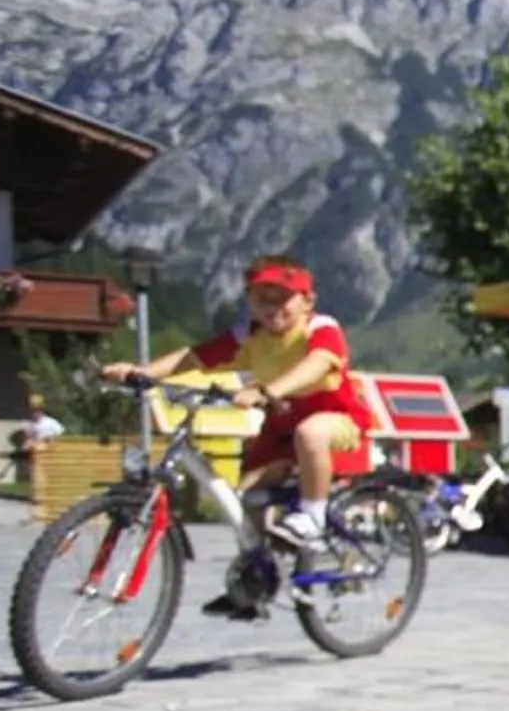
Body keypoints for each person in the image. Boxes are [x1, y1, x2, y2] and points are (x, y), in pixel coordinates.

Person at [102, 258, 369, 614]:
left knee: (310, 432)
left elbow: (319, 363)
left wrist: (269, 389)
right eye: (262, 299)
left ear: (308, 301)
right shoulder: (249, 336)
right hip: (279, 426)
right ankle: (256, 579)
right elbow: (196, 356)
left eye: (283, 298)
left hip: (335, 416)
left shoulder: (320, 327)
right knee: (247, 496)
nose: (272, 307)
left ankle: (314, 516)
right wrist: (143, 372)